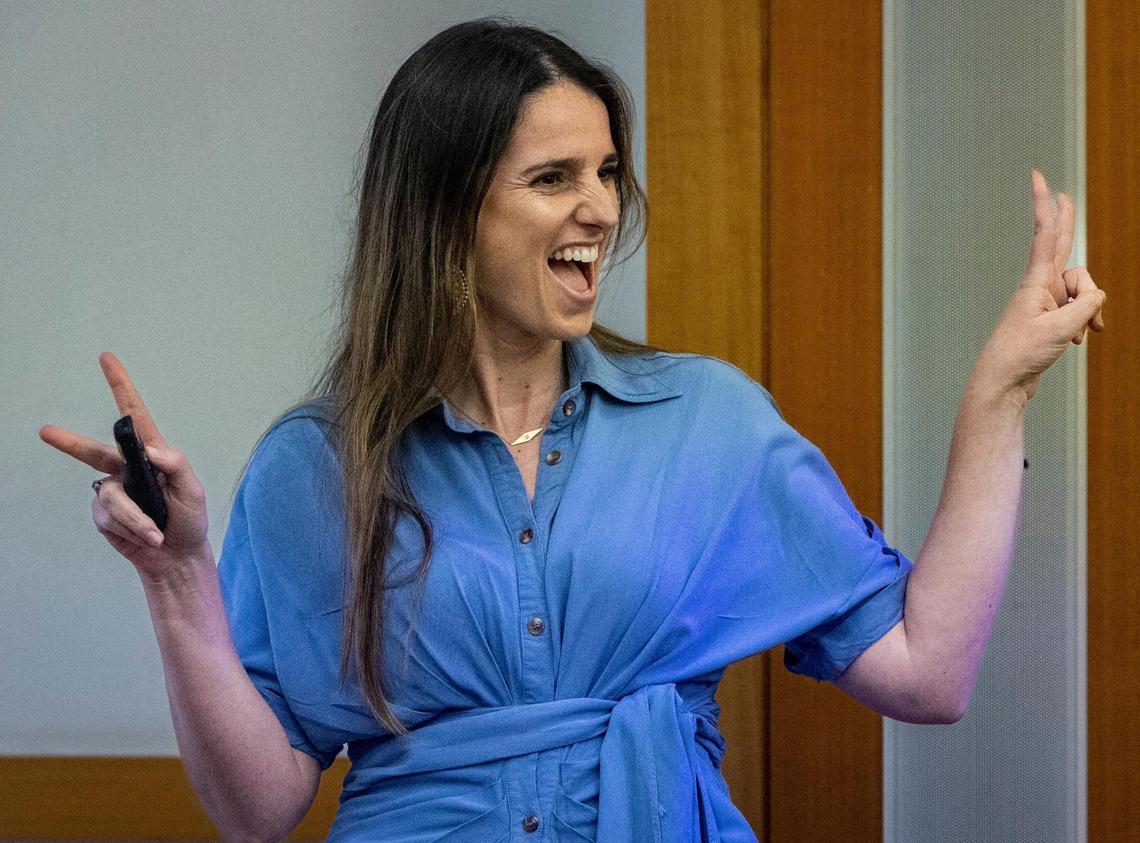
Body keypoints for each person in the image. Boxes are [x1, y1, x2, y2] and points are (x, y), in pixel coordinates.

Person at [39, 16, 1106, 843]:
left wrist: (1000, 390)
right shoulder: (316, 467)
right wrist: (177, 582)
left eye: (604, 172)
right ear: (446, 212)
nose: (601, 208)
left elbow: (929, 672)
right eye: (553, 179)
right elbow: (256, 810)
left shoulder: (709, 422)